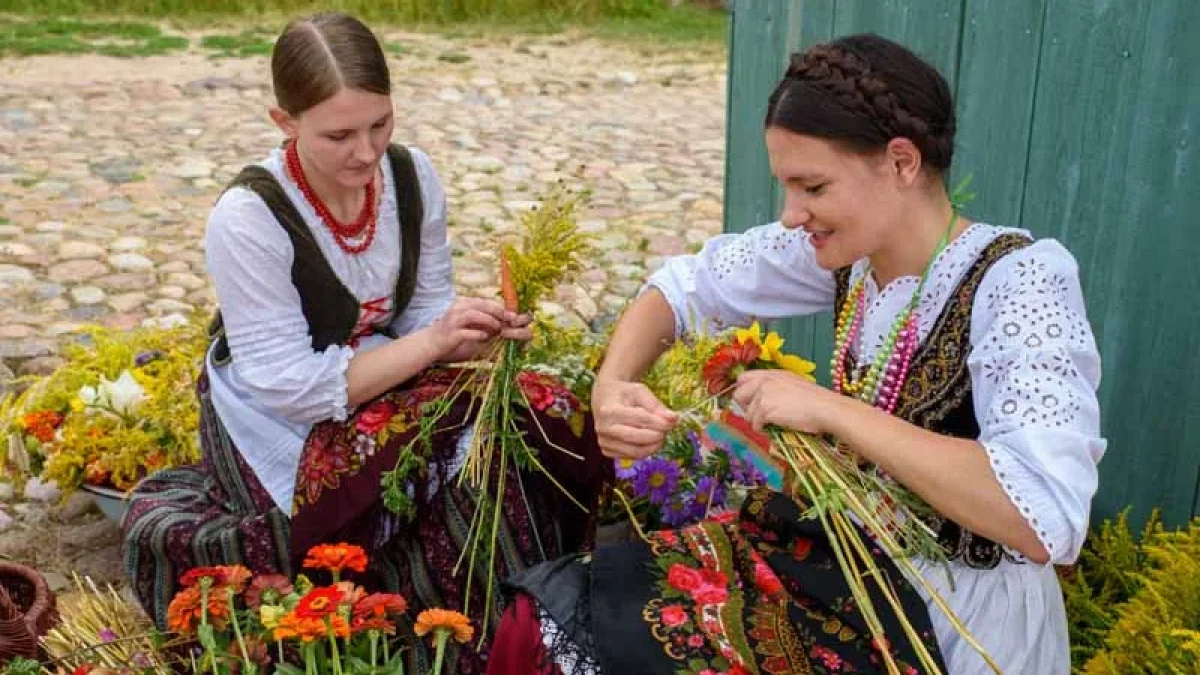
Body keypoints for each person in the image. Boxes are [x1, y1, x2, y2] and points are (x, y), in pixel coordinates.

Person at [488, 33, 1105, 675]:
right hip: (850, 574)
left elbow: (1043, 515)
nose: (791, 215)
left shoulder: (1019, 282)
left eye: (812, 187)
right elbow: (685, 287)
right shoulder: (853, 259)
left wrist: (832, 411)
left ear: (900, 162)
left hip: (955, 617)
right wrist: (612, 385)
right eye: (787, 187)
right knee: (557, 617)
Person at [120, 13, 607, 674]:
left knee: (531, 417)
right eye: (339, 134)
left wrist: (469, 332)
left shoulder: (411, 178)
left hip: (385, 365)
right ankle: (453, 643)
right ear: (283, 121)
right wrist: (435, 344)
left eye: (380, 124)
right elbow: (291, 386)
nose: (366, 152)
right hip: (276, 407)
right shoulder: (249, 217)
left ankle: (541, 630)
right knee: (451, 476)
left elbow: (425, 308)